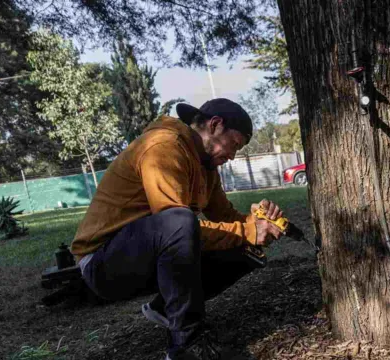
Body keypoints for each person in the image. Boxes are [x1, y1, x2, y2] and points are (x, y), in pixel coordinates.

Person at [70, 99, 285, 360]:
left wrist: (257, 222)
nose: (232, 156)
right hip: (101, 262)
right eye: (234, 145)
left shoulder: (206, 165)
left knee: (246, 249)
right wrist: (250, 230)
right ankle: (186, 346)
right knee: (180, 222)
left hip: (147, 252)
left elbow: (225, 217)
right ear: (215, 125)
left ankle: (166, 309)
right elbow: (176, 224)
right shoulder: (164, 146)